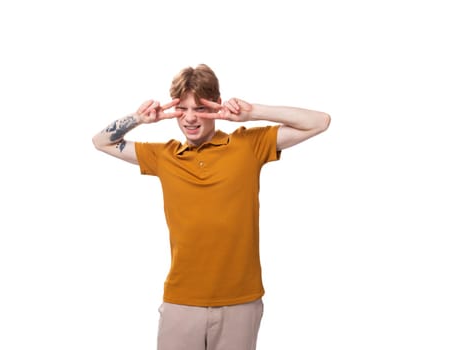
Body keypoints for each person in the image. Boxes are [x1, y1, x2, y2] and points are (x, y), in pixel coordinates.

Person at [92, 64, 330, 350]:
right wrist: (138, 118)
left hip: (240, 301)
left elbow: (320, 121)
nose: (190, 118)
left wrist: (253, 112)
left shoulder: (247, 145)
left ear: (216, 104)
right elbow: (101, 141)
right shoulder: (164, 155)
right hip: (182, 301)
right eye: (182, 108)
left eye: (200, 108)